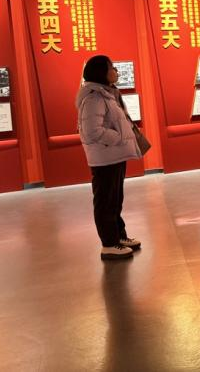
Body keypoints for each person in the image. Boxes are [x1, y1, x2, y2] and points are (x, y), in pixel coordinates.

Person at [76, 55, 142, 261]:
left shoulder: (107, 94)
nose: (116, 71)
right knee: (105, 201)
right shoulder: (94, 98)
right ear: (101, 72)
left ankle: (118, 236)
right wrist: (119, 137)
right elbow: (91, 131)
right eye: (112, 67)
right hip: (104, 157)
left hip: (114, 155)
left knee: (115, 200)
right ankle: (109, 244)